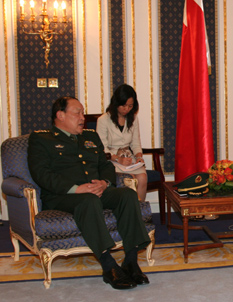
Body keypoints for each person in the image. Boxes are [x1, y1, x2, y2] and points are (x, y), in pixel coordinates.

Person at [28, 96, 151, 290]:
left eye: (83, 113)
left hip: (98, 190)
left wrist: (105, 182)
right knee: (88, 200)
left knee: (127, 195)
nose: (82, 117)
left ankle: (131, 261)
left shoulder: (90, 137)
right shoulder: (41, 139)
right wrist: (77, 188)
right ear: (60, 115)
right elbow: (41, 173)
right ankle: (108, 265)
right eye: (77, 113)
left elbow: (105, 164)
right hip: (63, 196)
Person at [96, 84, 148, 202]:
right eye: (124, 105)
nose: (126, 109)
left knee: (143, 178)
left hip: (129, 159)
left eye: (130, 106)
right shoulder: (103, 120)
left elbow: (135, 143)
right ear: (116, 103)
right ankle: (129, 213)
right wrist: (117, 159)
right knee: (131, 178)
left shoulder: (133, 118)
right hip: (111, 160)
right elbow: (102, 147)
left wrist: (139, 157)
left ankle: (140, 213)